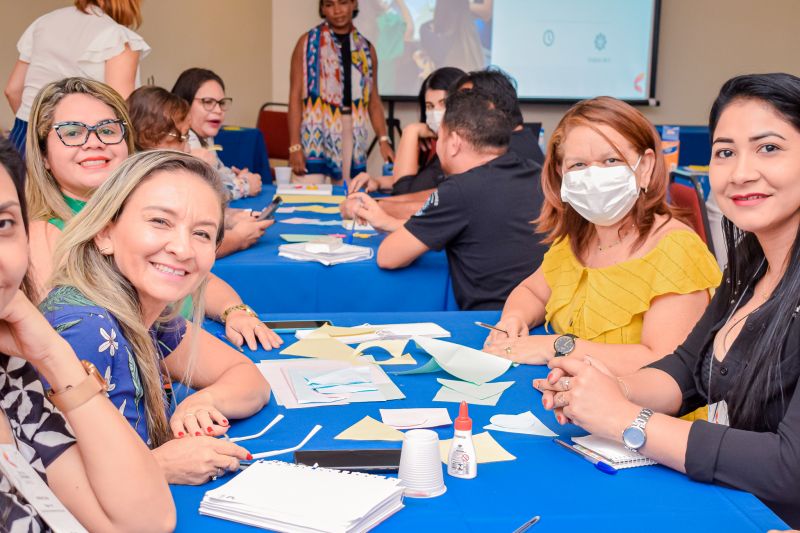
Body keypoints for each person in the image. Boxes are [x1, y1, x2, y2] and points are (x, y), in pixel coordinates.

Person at [537, 73, 800, 527]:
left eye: (769, 148)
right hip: (731, 503)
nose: (741, 172)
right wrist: (607, 390)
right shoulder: (750, 261)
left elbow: (788, 467)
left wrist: (626, 419)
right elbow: (687, 368)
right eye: (725, 152)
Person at [42, 150, 270, 485]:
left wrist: (200, 403)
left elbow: (250, 379)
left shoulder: (147, 310)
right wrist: (156, 466)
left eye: (202, 233)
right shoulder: (86, 328)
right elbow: (47, 479)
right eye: (160, 222)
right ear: (105, 233)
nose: (183, 248)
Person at [26, 77, 281, 351]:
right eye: (73, 132)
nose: (94, 142)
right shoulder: (42, 235)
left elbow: (197, 277)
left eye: (107, 130)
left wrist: (235, 311)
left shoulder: (135, 205)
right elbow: (78, 340)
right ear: (43, 155)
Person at [0, 136, 175, 531]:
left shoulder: (12, 374)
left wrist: (52, 353)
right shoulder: (84, 321)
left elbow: (146, 523)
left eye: (2, 224)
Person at [483, 96, 720, 377]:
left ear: (645, 167)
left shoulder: (677, 250)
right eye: (578, 165)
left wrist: (555, 347)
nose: (594, 176)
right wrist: (514, 318)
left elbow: (665, 363)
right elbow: (532, 292)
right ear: (560, 174)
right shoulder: (579, 238)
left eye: (611, 160)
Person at [362, 89, 547, 310]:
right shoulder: (536, 173)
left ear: (454, 142)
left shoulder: (459, 189)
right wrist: (391, 223)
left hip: (493, 321)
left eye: (440, 137)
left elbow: (388, 256)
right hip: (544, 315)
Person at [343, 68, 544, 222]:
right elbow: (441, 192)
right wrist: (378, 189)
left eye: (463, 102)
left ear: (488, 107)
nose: (457, 110)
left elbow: (443, 201)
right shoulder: (510, 142)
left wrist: (372, 206)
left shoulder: (504, 150)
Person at [128, 85, 273, 258]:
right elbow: (189, 245)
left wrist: (229, 218)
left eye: (188, 137)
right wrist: (239, 237)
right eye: (181, 138)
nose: (188, 148)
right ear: (148, 136)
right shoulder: (148, 183)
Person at [4, 0, 149, 157]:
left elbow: (12, 90)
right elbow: (122, 113)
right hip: (80, 142)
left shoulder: (44, 22)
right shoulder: (118, 38)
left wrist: (37, 129)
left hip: (23, 136)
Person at [288, 0, 395, 185]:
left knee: (348, 193)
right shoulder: (306, 43)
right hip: (314, 130)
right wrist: (294, 146)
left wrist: (383, 139)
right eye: (329, 5)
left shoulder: (366, 49)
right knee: (304, 192)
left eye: (343, 2)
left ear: (354, 4)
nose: (337, 10)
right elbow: (295, 97)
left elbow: (374, 100)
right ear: (322, 9)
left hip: (351, 131)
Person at [348, 66, 465, 195]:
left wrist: (411, 131)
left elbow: (403, 193)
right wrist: (377, 182)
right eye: (430, 106)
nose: (435, 112)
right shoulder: (435, 145)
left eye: (443, 104)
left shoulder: (458, 152)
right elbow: (417, 182)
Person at [171, 68, 262, 201]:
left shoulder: (205, 136)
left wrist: (235, 177)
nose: (219, 110)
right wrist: (245, 185)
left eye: (221, 103)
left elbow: (218, 171)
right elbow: (208, 191)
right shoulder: (184, 139)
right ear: (184, 104)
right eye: (208, 102)